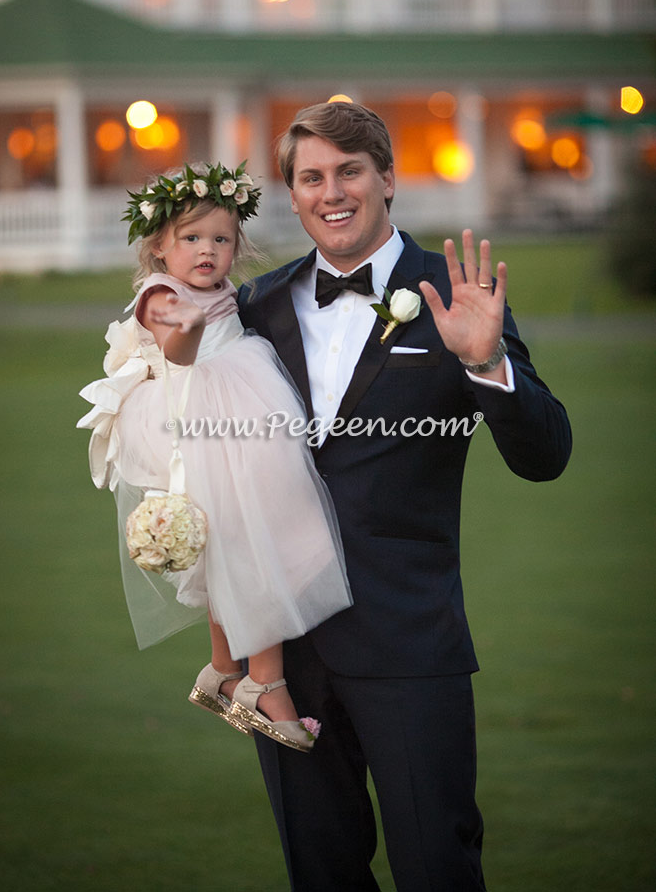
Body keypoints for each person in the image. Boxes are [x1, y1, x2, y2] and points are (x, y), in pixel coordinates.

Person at [238, 101, 572, 891]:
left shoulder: (455, 294)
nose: (333, 191)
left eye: (350, 170)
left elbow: (546, 453)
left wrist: (489, 365)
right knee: (320, 872)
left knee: (438, 868)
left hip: (411, 646)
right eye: (311, 176)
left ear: (387, 177)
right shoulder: (256, 307)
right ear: (293, 193)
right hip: (283, 655)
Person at [77, 161, 352, 753]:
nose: (208, 251)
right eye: (192, 238)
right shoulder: (162, 293)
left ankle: (222, 666)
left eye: (221, 240)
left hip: (235, 412)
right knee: (255, 539)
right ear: (159, 247)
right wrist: (187, 324)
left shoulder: (222, 290)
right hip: (196, 414)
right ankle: (264, 682)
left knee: (226, 538)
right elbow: (174, 344)